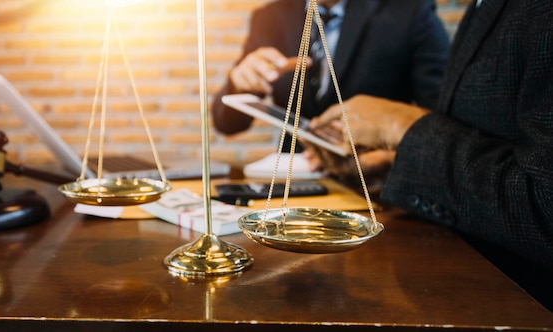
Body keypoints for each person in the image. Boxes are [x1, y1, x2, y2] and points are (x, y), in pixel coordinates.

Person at [305, 0, 553, 309]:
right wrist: (397, 163)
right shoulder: (481, 9)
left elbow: (545, 201)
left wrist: (403, 126)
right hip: (463, 286)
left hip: (522, 303)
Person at [211, 0, 450, 150]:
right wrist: (239, 84)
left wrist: (390, 157)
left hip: (373, 184)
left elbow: (442, 120)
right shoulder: (270, 18)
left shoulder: (410, 11)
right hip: (293, 181)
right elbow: (227, 124)